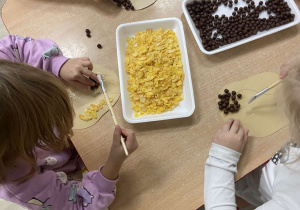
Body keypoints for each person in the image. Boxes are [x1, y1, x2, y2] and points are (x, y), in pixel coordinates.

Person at [0, 35, 138, 209]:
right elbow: (79, 204)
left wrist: (58, 64)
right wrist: (113, 164)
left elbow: (14, 46)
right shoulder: (22, 183)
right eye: (46, 124)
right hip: (69, 170)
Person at [204, 55, 300, 210]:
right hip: (272, 169)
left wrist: (222, 158)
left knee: (242, 188)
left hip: (260, 190)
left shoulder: (292, 200)